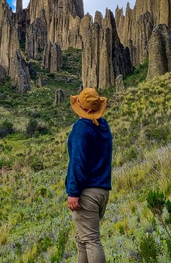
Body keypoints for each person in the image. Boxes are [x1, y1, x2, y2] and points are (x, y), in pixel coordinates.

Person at [66, 87, 113, 263]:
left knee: (91, 240)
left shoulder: (81, 127)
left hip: (86, 193)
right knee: (82, 240)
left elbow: (78, 161)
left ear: (83, 109)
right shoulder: (102, 126)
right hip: (102, 191)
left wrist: (73, 192)